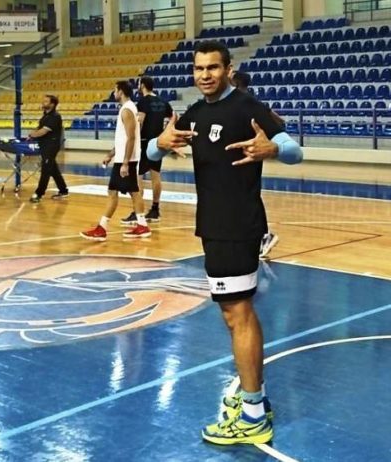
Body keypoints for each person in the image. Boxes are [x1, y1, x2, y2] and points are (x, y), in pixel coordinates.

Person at [147, 40, 302, 445]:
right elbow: (152, 152)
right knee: (233, 314)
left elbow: (295, 150)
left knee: (238, 314)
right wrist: (159, 144)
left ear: (228, 69)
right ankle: (255, 399)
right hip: (213, 226)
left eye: (213, 68)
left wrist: (273, 148)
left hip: (238, 225)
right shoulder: (197, 113)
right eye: (199, 69)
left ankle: (253, 415)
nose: (205, 75)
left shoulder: (247, 107)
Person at [80, 80, 151, 241]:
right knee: (133, 192)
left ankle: (102, 228)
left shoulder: (127, 110)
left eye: (115, 90)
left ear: (121, 91)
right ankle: (142, 225)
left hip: (127, 160)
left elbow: (131, 138)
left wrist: (125, 163)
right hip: (125, 158)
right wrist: (111, 154)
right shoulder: (128, 108)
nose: (113, 93)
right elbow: (124, 139)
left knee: (113, 192)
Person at [231, 71, 282, 259]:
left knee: (247, 197)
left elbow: (277, 122)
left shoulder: (243, 102)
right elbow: (279, 120)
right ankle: (255, 237)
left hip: (245, 153)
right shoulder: (253, 101)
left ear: (235, 83)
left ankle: (264, 236)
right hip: (249, 153)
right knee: (247, 196)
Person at [120, 76, 173, 226]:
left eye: (139, 84)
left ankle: (137, 212)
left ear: (142, 85)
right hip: (158, 143)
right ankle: (155, 210)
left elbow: (140, 121)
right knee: (156, 175)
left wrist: (134, 139)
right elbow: (174, 117)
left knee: (138, 177)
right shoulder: (163, 101)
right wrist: (165, 132)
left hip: (144, 142)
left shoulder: (143, 101)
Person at [28, 94, 68, 203]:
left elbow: (43, 131)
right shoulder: (45, 116)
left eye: (46, 101)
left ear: (52, 104)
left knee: (45, 170)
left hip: (51, 146)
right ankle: (63, 190)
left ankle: (39, 194)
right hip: (44, 145)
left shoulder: (55, 116)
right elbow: (39, 128)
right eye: (43, 101)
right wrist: (33, 134)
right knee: (53, 169)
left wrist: (32, 135)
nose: (43, 103)